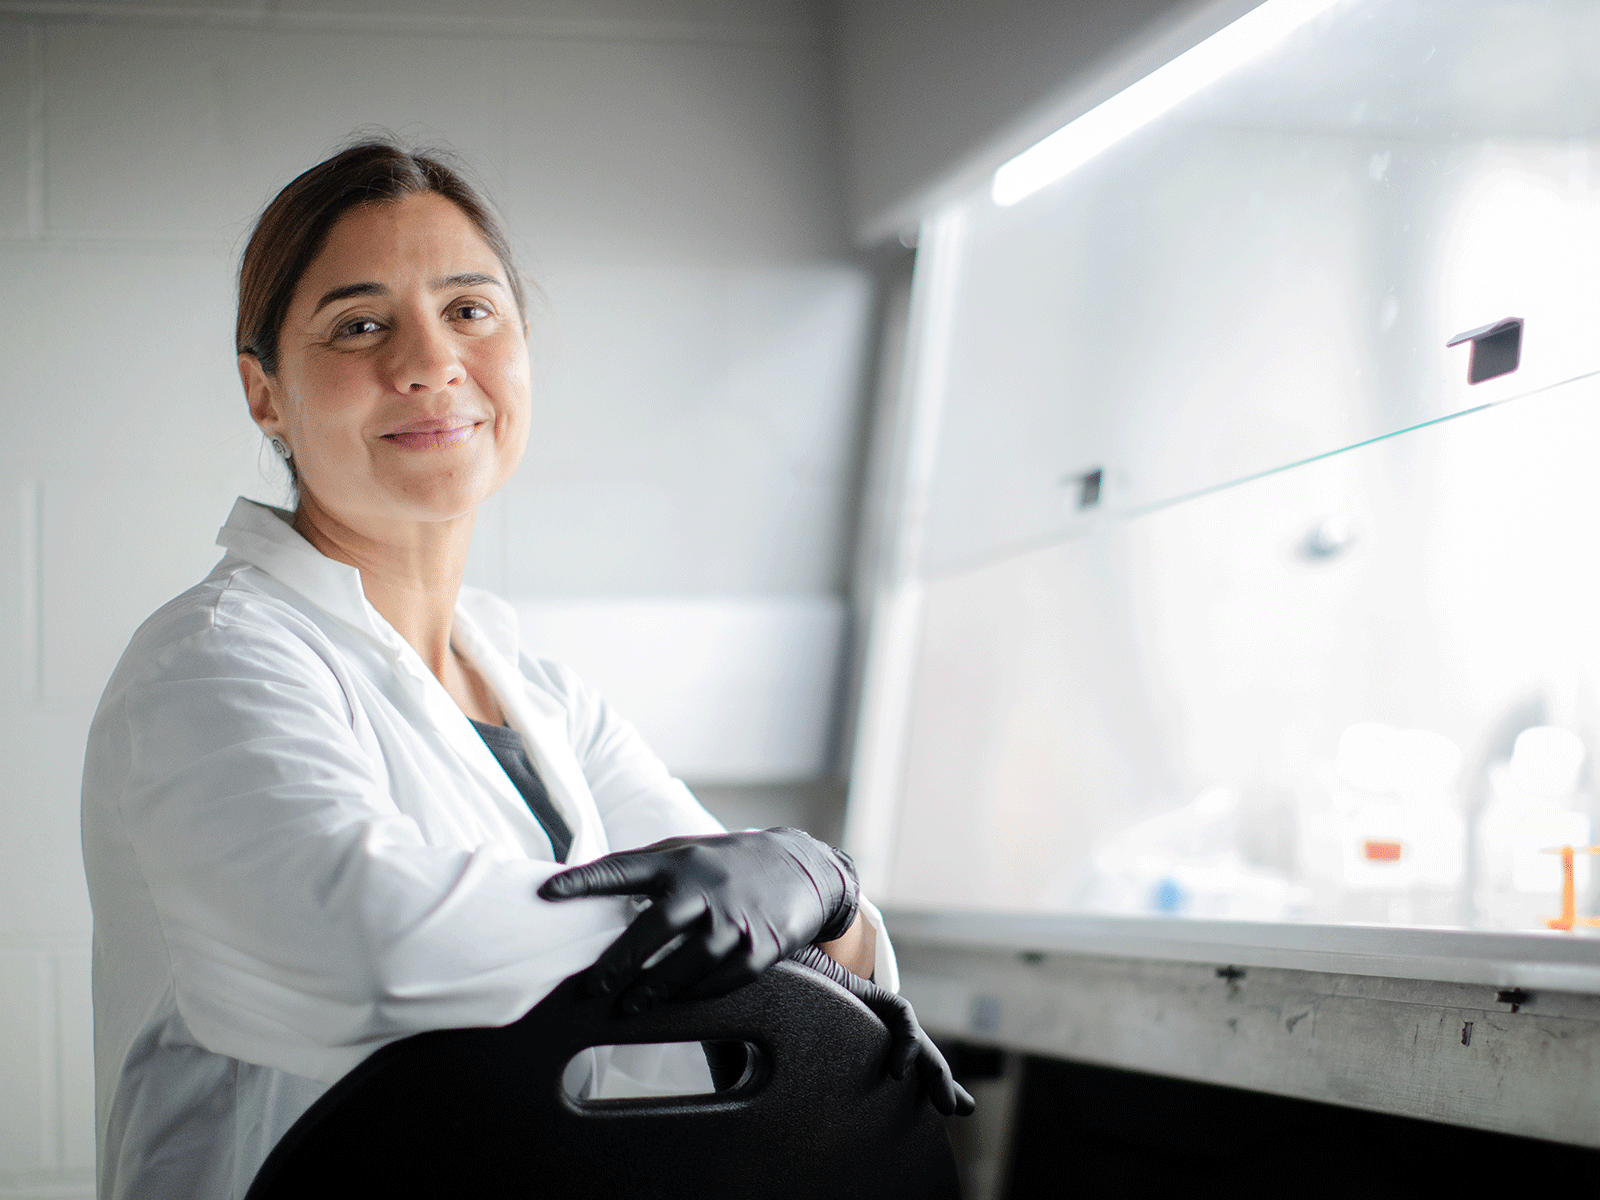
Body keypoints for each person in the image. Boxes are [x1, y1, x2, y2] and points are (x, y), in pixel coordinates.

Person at [80, 140, 970, 1200]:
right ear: (265, 394)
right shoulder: (214, 663)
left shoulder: (544, 700)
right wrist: (722, 911)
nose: (429, 362)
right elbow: (376, 949)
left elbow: (809, 974)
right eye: (360, 325)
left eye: (470, 310)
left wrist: (827, 897)